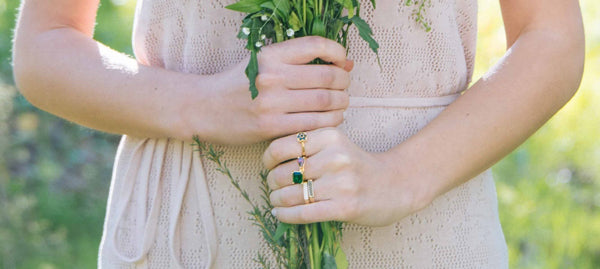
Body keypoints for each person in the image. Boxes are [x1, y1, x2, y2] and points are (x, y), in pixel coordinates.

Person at [13, 0, 584, 267]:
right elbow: (44, 46)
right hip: (191, 240)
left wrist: (400, 178)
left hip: (424, 237)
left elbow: (551, 40)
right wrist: (198, 104)